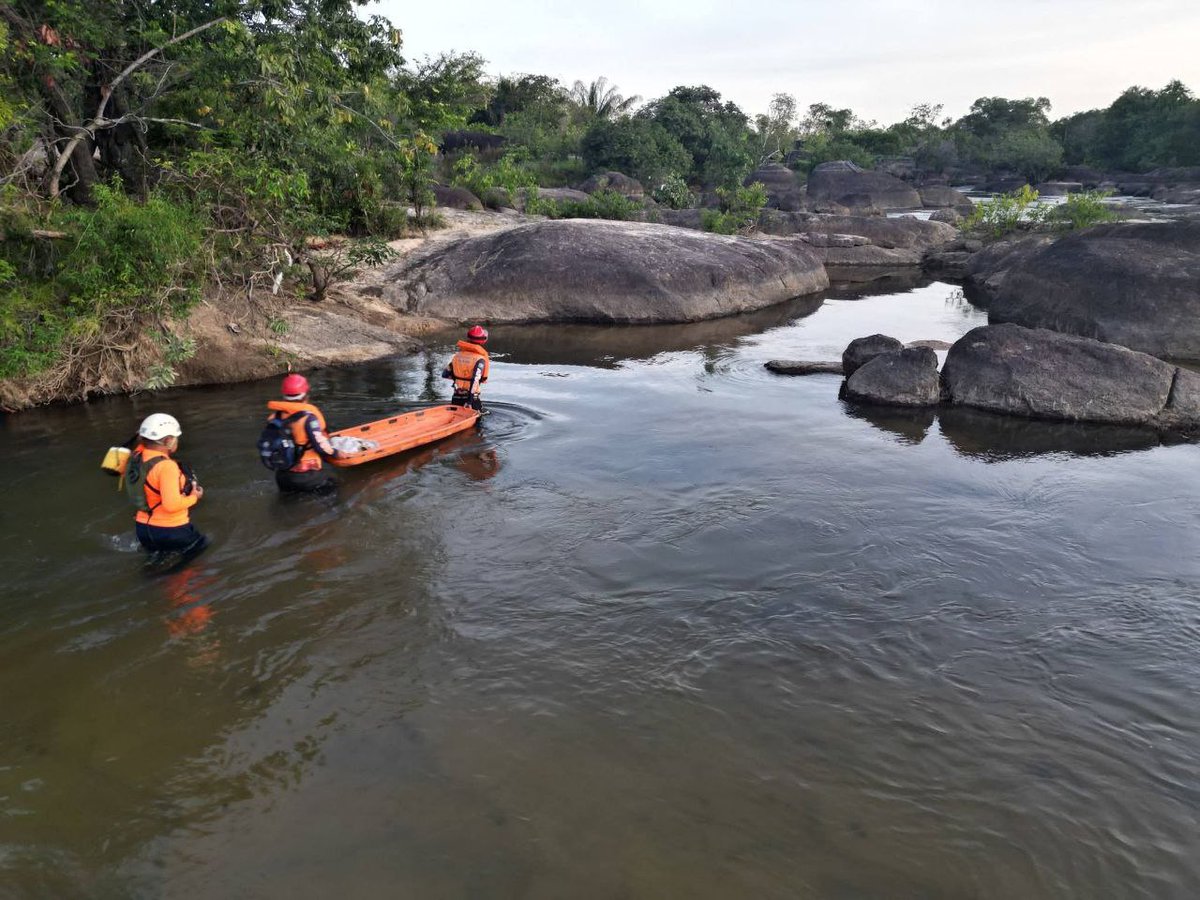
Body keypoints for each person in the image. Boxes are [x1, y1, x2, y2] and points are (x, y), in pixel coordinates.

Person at [125, 413, 208, 557]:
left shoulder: (135, 457)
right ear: (168, 440)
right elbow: (171, 505)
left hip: (143, 528)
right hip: (171, 529)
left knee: (156, 561)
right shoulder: (166, 466)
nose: (177, 442)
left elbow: (141, 443)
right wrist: (194, 497)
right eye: (176, 438)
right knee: (201, 549)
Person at [264, 373, 348, 493]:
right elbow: (320, 447)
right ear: (306, 396)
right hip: (306, 476)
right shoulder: (308, 419)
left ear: (284, 396)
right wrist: (337, 453)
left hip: (282, 477)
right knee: (338, 491)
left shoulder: (275, 417)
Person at [442, 324, 490, 410]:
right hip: (471, 400)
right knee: (478, 420)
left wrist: (458, 379)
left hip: (456, 397)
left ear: (468, 338)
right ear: (483, 341)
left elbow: (445, 374)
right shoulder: (480, 360)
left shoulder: (457, 356)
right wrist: (469, 401)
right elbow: (475, 380)